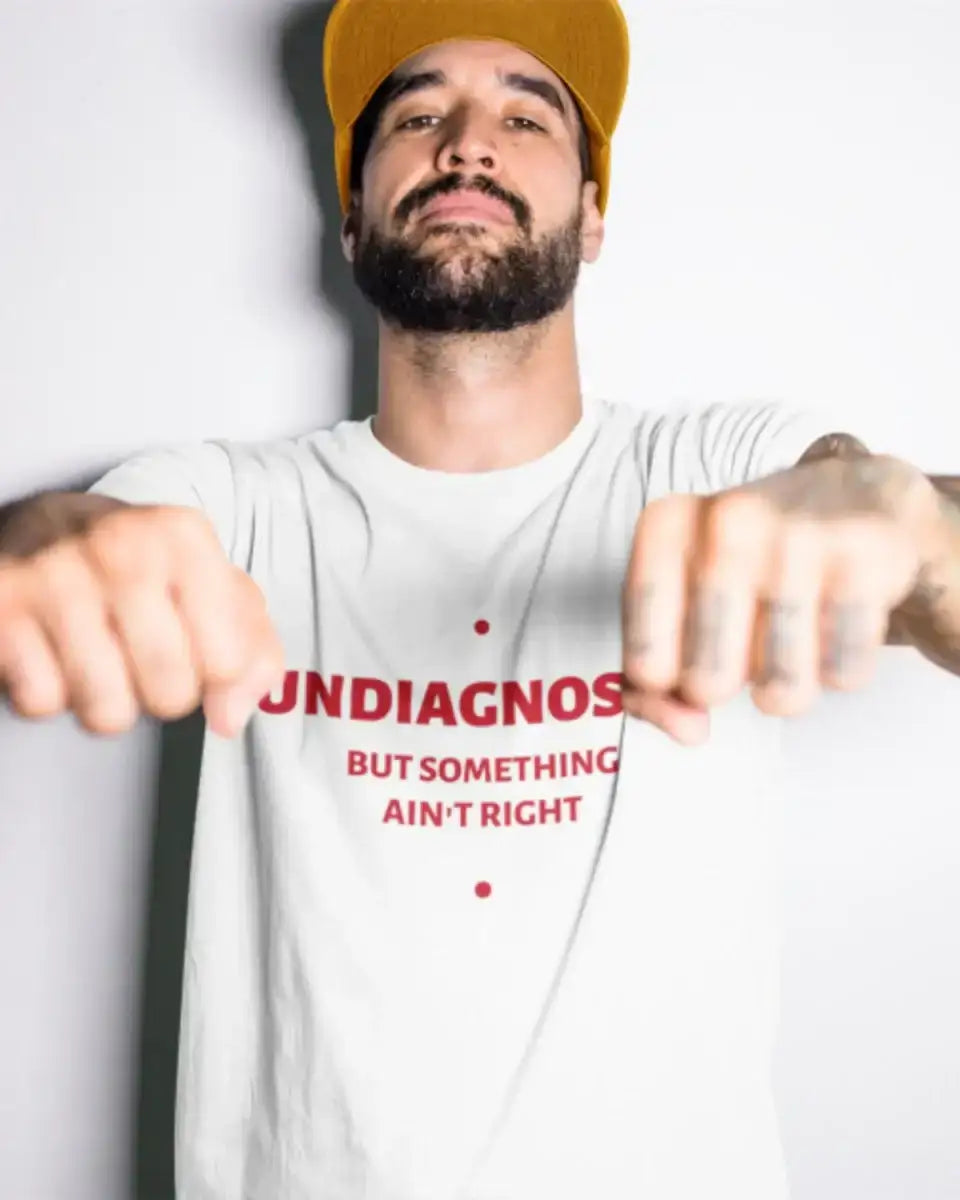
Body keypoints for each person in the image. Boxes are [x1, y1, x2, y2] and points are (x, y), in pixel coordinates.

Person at [0, 0, 957, 1196]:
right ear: (353, 218)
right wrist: (36, 543)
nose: (466, 143)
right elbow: (71, 544)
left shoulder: (720, 468)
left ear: (593, 214)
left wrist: (917, 529)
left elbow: (909, 537)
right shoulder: (232, 504)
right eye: (417, 116)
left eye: (525, 115)